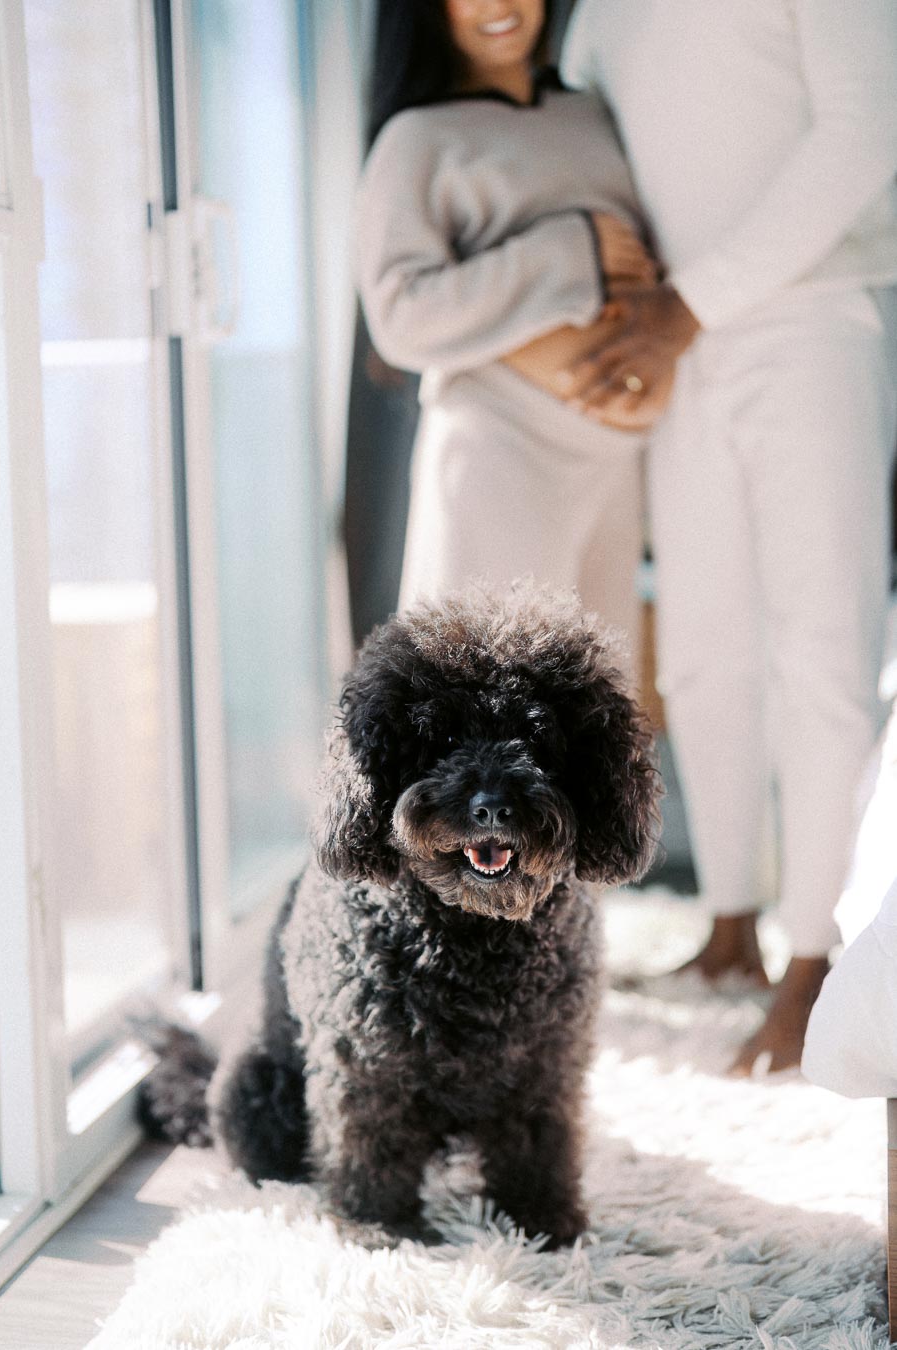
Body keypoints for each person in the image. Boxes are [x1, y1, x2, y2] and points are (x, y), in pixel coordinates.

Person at [559, 0, 897, 1072]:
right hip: (676, 342)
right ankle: (729, 923)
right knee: (702, 655)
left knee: (824, 657)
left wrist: (690, 299)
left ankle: (818, 959)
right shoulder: (597, 14)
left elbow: (872, 128)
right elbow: (581, 142)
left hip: (814, 320)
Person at [355, 0, 669, 682]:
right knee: (484, 723)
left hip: (611, 471)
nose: (498, 5)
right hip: (498, 462)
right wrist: (568, 252)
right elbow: (401, 317)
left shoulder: (592, 117)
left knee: (595, 734)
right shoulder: (417, 140)